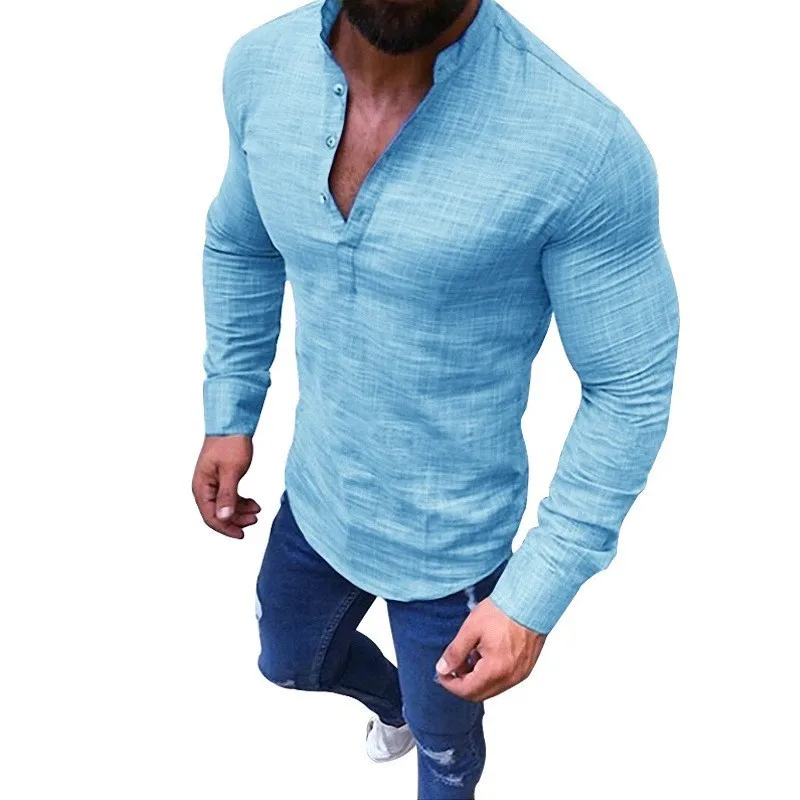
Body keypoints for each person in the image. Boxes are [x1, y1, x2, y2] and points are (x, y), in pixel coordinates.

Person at [191, 0, 680, 796]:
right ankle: (399, 707)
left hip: (455, 547)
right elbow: (240, 244)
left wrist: (532, 596)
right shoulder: (261, 67)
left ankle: (432, 734)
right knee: (287, 663)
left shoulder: (583, 144)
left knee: (447, 760)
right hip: (318, 497)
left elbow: (629, 389)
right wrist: (230, 410)